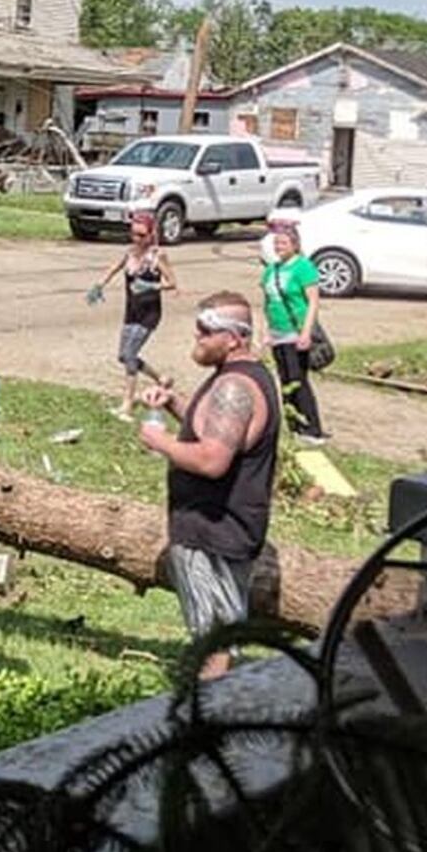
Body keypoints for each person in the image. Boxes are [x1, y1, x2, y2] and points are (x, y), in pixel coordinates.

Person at [138, 291, 281, 679]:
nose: (196, 336)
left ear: (233, 338)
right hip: (216, 528)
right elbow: (216, 428)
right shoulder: (240, 378)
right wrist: (173, 404)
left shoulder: (234, 388)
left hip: (215, 532)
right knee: (216, 632)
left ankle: (211, 716)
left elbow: (214, 459)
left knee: (213, 641)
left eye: (206, 330)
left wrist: (159, 441)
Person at [87, 209, 176, 419]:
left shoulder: (157, 256)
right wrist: (99, 285)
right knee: (124, 355)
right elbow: (114, 268)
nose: (138, 239)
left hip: (149, 313)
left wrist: (151, 286)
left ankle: (127, 405)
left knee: (129, 355)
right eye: (134, 234)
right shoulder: (129, 253)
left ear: (152, 234)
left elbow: (172, 283)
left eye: (142, 235)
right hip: (131, 311)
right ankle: (161, 378)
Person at [261, 215, 327, 443]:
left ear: (295, 244)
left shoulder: (303, 267)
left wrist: (306, 332)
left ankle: (312, 428)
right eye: (276, 243)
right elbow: (267, 302)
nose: (279, 247)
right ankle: (294, 425)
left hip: (295, 330)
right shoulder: (271, 270)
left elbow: (313, 303)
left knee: (299, 380)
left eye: (284, 243)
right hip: (277, 331)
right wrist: (266, 330)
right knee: (285, 380)